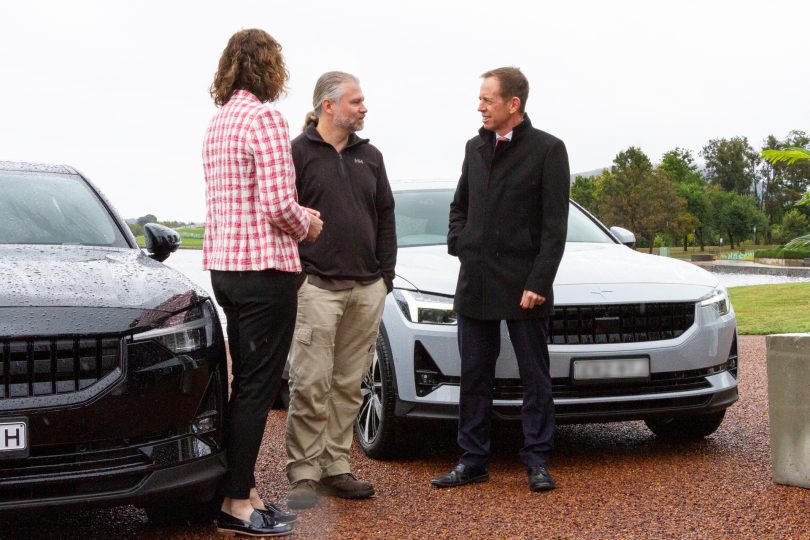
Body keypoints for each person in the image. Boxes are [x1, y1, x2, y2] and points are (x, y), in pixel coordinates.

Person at [203, 29, 323, 537]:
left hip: (225, 269)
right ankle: (235, 502)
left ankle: (245, 490)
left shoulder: (218, 122)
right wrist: (309, 223)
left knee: (243, 383)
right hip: (264, 271)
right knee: (256, 386)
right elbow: (277, 206)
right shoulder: (265, 119)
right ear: (270, 67)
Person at [432, 67, 569, 492]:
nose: (480, 106)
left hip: (526, 285)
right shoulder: (474, 147)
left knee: (535, 377)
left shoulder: (549, 149)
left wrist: (539, 282)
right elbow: (460, 206)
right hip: (476, 280)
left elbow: (554, 228)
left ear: (514, 104)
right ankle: (472, 460)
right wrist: (463, 242)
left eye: (487, 99)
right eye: (480, 99)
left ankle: (537, 461)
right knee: (474, 375)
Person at [284, 71, 396, 509]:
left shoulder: (372, 157)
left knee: (350, 384)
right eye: (355, 101)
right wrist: (298, 278)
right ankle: (304, 473)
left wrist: (385, 276)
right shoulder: (295, 154)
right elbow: (281, 216)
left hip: (367, 287)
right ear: (328, 105)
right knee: (310, 383)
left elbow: (385, 216)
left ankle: (336, 467)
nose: (363, 107)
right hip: (316, 287)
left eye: (363, 101)